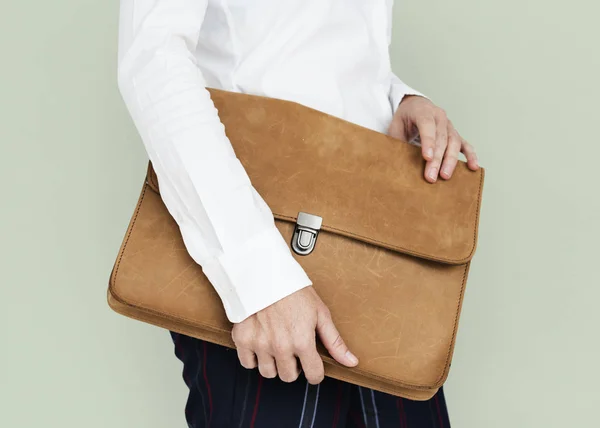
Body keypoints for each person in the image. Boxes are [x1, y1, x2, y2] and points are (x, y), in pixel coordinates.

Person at [116, 0, 479, 426]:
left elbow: (304, 39)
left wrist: (393, 97)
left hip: (373, 253)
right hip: (263, 252)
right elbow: (153, 58)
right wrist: (259, 280)